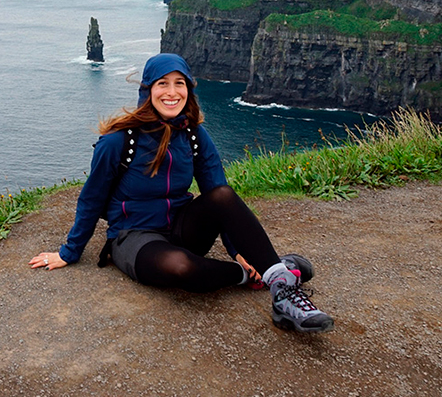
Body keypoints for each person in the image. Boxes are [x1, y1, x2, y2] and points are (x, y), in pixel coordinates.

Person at [29, 53, 334, 334]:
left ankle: (282, 290)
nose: (172, 92)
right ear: (148, 89)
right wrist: (69, 252)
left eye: (180, 84)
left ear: (188, 89)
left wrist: (236, 249)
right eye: (163, 84)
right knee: (181, 267)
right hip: (134, 236)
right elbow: (91, 199)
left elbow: (219, 197)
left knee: (224, 194)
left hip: (183, 228)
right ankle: (259, 274)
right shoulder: (119, 141)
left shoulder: (193, 135)